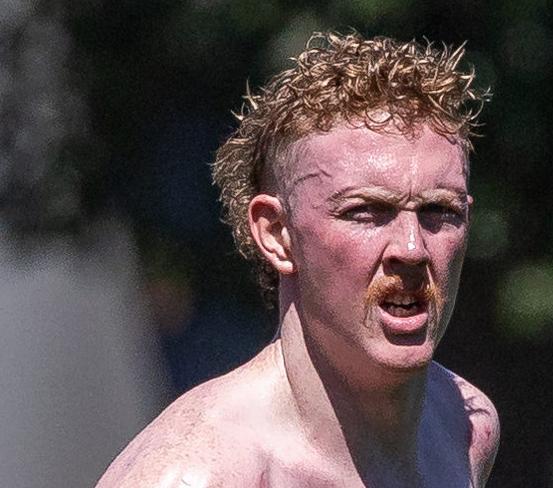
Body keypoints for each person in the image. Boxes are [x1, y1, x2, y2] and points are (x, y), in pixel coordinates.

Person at [97, 31, 500, 487]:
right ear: (276, 234)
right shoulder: (195, 475)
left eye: (438, 211)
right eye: (367, 212)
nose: (411, 249)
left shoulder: (465, 428)